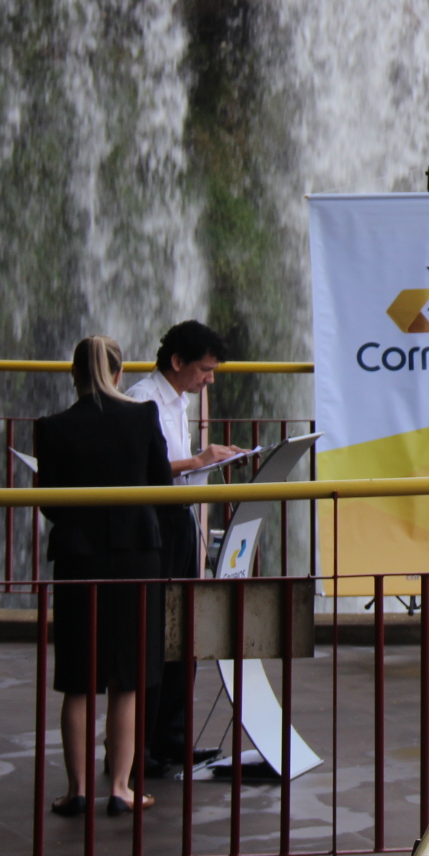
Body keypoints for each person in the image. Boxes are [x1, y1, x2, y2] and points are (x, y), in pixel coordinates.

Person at [33, 335, 173, 817]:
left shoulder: (52, 428)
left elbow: (50, 503)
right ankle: (120, 788)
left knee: (77, 678)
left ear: (73, 376)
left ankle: (76, 791)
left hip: (79, 559)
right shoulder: (142, 417)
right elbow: (162, 485)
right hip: (137, 556)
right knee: (127, 678)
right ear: (118, 375)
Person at [127, 320, 237, 775]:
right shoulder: (141, 401)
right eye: (205, 369)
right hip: (155, 521)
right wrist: (199, 460)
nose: (209, 379)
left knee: (183, 630)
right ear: (178, 363)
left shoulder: (177, 401)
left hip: (180, 519)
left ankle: (171, 738)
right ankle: (142, 747)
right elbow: (140, 471)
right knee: (155, 631)